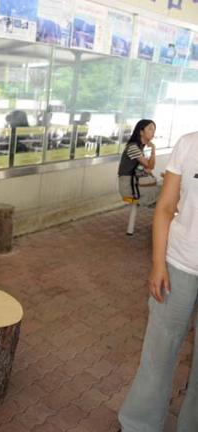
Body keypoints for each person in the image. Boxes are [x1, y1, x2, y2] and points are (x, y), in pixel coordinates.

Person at [118, 131, 198, 432]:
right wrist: (157, 264)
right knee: (158, 353)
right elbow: (165, 207)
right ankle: (138, 425)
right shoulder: (189, 144)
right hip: (178, 264)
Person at [117, 119, 158, 207]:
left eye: (154, 130)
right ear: (141, 132)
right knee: (163, 196)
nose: (153, 132)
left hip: (135, 185)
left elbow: (149, 168)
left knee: (162, 193)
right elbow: (150, 166)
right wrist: (153, 149)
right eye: (150, 129)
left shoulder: (139, 148)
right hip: (128, 192)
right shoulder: (133, 147)